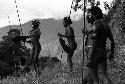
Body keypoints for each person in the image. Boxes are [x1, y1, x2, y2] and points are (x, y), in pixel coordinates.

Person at [82, 6, 115, 84]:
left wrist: (90, 57)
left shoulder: (95, 26)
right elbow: (112, 41)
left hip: (95, 53)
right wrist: (111, 52)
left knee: (95, 78)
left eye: (90, 14)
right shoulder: (106, 25)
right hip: (103, 52)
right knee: (104, 75)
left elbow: (94, 43)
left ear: (94, 15)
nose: (89, 16)